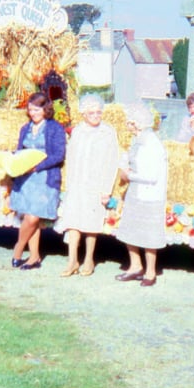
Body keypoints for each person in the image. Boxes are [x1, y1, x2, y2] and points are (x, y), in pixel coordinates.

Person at [54, 94, 120, 277]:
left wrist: (106, 190)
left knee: (91, 224)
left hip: (96, 184)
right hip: (77, 183)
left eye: (99, 112)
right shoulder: (77, 131)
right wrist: (68, 183)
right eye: (91, 112)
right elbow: (71, 157)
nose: (95, 115)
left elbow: (112, 161)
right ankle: (72, 261)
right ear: (83, 113)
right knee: (73, 222)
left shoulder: (108, 132)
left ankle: (89, 259)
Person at [10, 92, 67, 270]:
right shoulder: (25, 129)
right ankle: (34, 257)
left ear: (45, 109)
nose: (33, 113)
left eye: (36, 109)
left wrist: (37, 166)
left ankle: (18, 248)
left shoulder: (55, 128)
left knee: (34, 217)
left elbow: (59, 155)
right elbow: (20, 150)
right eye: (30, 110)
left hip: (44, 178)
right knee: (30, 217)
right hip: (26, 179)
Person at [114, 104, 168, 287]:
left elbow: (151, 176)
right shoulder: (138, 140)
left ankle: (150, 272)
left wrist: (128, 175)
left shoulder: (151, 143)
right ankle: (135, 266)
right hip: (135, 192)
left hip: (149, 194)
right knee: (131, 230)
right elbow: (130, 159)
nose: (127, 125)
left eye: (129, 121)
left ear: (137, 123)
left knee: (148, 234)